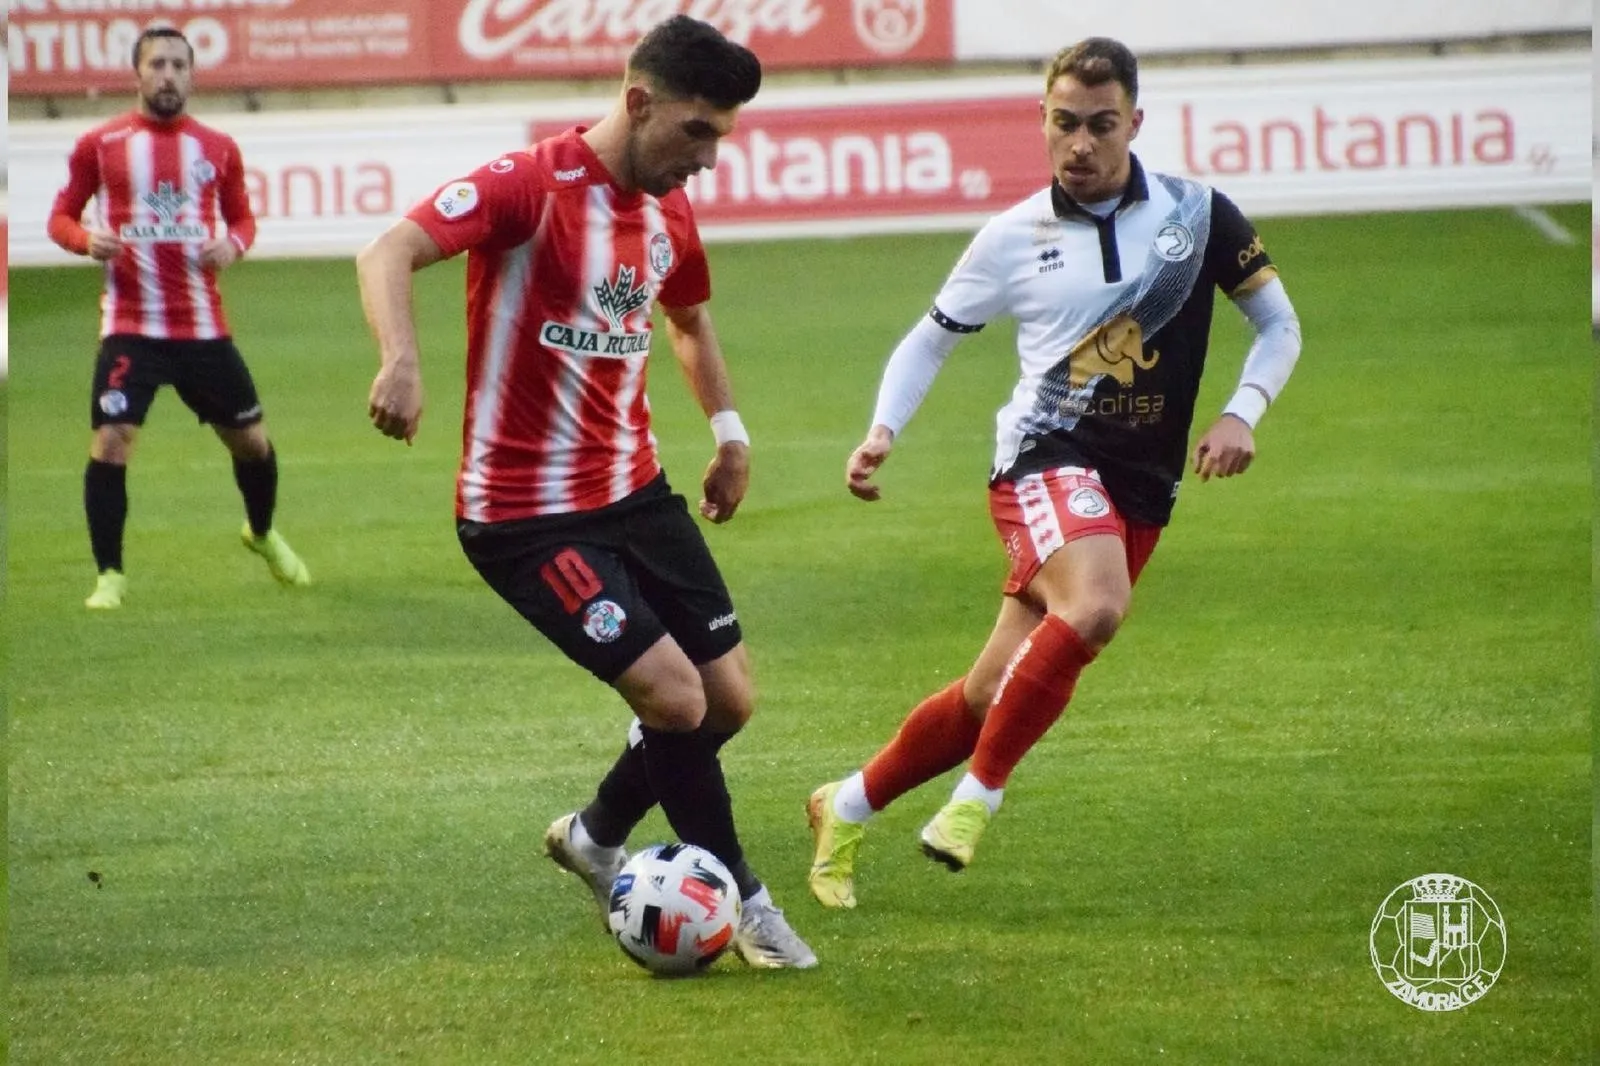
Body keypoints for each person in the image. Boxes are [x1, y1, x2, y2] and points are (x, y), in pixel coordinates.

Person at [355, 16, 816, 968]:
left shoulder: (672, 210)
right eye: (699, 132)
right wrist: (401, 359)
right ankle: (741, 893)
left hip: (635, 492)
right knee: (677, 699)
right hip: (524, 516)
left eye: (723, 138)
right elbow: (386, 251)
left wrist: (728, 433)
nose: (709, 158)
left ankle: (597, 833)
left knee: (728, 700)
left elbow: (688, 323)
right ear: (640, 102)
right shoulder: (529, 185)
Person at [806, 37, 1304, 908]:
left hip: (1142, 486)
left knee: (991, 690)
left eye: (1101, 126)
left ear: (1135, 123)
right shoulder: (1010, 238)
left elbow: (1280, 327)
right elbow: (931, 338)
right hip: (1041, 460)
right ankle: (974, 803)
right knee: (1098, 605)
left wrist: (1241, 410)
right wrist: (882, 429)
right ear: (1042, 121)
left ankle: (843, 806)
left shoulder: (1198, 216)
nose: (1081, 144)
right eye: (1064, 124)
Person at [48, 26, 310, 610]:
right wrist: (84, 239)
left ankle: (261, 533)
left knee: (251, 444)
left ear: (192, 75)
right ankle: (109, 577)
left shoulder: (218, 148)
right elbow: (60, 217)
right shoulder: (101, 142)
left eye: (178, 65)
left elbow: (243, 221)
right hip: (130, 326)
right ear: (136, 73)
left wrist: (232, 247)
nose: (168, 75)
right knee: (112, 440)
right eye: (157, 64)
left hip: (202, 329)